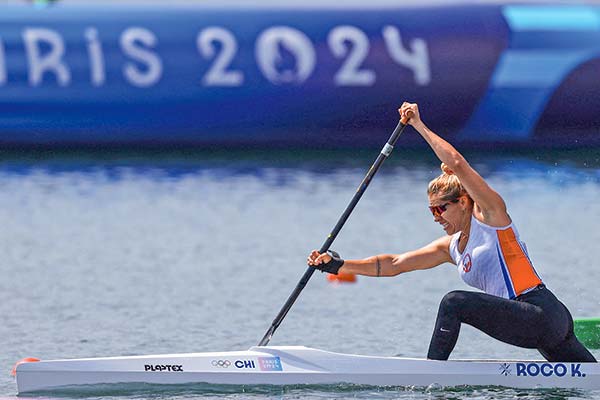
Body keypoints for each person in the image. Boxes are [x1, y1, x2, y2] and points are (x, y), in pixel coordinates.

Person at [307, 102, 596, 362]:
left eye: (440, 209)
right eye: (431, 211)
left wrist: (418, 125)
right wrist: (338, 266)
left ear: (463, 201)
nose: (436, 217)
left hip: (541, 314)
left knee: (453, 302)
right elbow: (394, 264)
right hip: (535, 323)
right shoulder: (451, 247)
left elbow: (458, 163)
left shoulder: (493, 217)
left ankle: (431, 375)